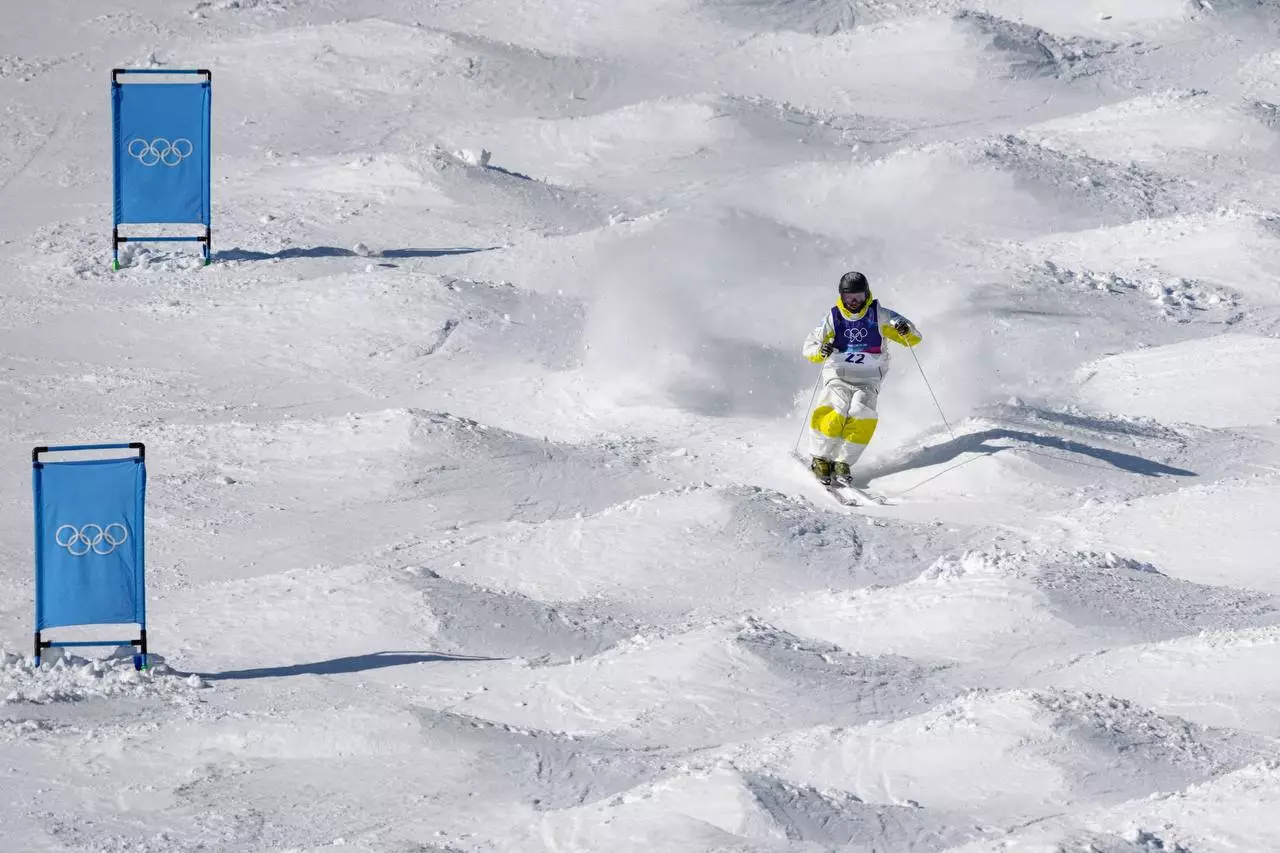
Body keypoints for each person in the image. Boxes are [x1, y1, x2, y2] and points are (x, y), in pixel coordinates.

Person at [800, 271, 922, 485]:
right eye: (848, 297)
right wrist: (822, 350)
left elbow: (914, 338)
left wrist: (905, 331)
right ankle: (820, 458)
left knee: (862, 413)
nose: (854, 302)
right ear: (841, 296)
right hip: (838, 374)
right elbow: (809, 347)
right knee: (835, 409)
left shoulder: (880, 315)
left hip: (869, 378)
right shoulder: (833, 317)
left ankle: (842, 462)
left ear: (867, 295)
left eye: (858, 296)